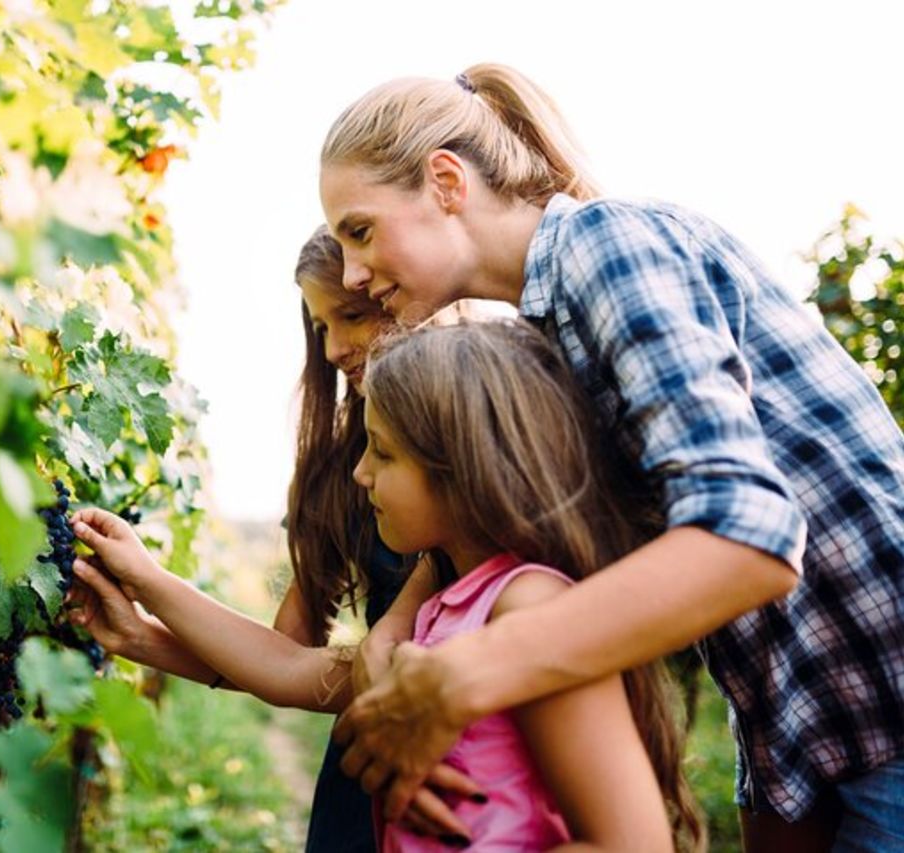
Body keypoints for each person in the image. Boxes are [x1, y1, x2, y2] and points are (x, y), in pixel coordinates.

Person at [318, 62, 904, 851]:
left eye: (360, 230)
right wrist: (389, 643)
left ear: (446, 183)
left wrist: (462, 677)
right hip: (799, 720)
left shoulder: (607, 245)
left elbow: (751, 533)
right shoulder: (546, 328)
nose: (352, 273)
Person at [76, 319, 703, 851]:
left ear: (460, 468)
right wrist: (146, 591)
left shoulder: (528, 607)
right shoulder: (442, 608)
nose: (359, 472)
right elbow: (290, 668)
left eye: (382, 452)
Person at [65, 226, 479, 848]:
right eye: (320, 328)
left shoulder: (493, 475)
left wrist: (154, 592)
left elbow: (344, 671)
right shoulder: (344, 466)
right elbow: (289, 657)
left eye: (355, 316)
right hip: (363, 783)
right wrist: (140, 636)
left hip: (462, 790)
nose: (336, 348)